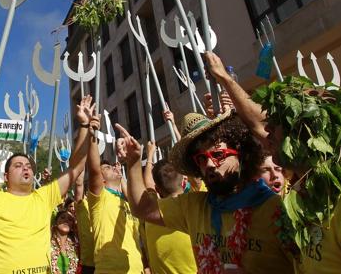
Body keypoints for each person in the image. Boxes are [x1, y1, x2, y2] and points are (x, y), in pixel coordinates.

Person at [203, 51, 341, 273]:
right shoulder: (312, 197)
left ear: (305, 135)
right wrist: (224, 80)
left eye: (274, 126)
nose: (266, 132)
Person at [115, 111, 299, 274]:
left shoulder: (277, 211)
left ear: (240, 153)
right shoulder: (194, 206)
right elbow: (143, 209)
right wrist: (133, 162)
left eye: (218, 155)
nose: (209, 164)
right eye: (202, 159)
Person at [0, 95, 97, 273]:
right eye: (18, 165)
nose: (26, 168)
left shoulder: (45, 196)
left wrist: (84, 126)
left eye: (28, 166)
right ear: (6, 176)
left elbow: (76, 167)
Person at [87, 115, 144, 273]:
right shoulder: (100, 199)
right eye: (106, 168)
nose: (113, 167)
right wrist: (92, 134)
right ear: (102, 180)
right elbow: (93, 170)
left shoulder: (127, 203)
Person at [142, 141, 197, 274]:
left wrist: (149, 156)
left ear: (157, 189)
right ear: (184, 181)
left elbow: (148, 184)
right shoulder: (196, 204)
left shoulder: (150, 213)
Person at [50, 210, 79, 274]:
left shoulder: (76, 246)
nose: (66, 220)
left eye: (70, 219)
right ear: (56, 222)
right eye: (62, 217)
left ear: (72, 226)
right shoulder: (47, 242)